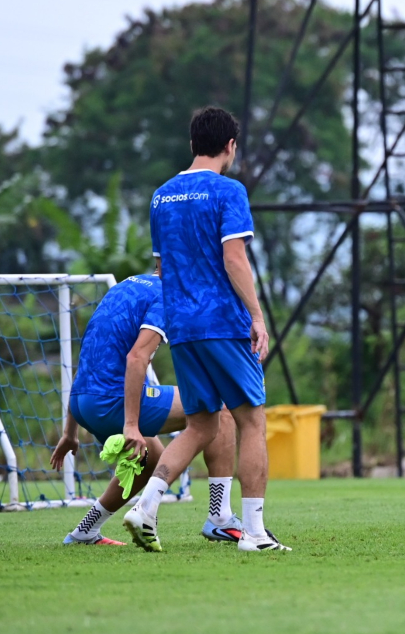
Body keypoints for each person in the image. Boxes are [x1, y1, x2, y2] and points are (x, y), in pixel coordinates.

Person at [123, 106, 287, 552]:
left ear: (193, 143)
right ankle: (253, 533)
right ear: (230, 146)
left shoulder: (162, 195)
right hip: (222, 321)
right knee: (251, 420)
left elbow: (161, 265)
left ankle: (146, 506)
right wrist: (256, 315)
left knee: (200, 425)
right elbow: (234, 258)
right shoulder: (228, 191)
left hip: (180, 324)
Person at [50, 273, 244, 545]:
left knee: (150, 457)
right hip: (111, 401)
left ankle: (85, 530)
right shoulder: (168, 295)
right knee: (217, 407)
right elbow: (137, 357)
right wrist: (131, 424)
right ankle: (220, 518)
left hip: (82, 401)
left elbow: (89, 357)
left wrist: (70, 432)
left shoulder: (124, 287)